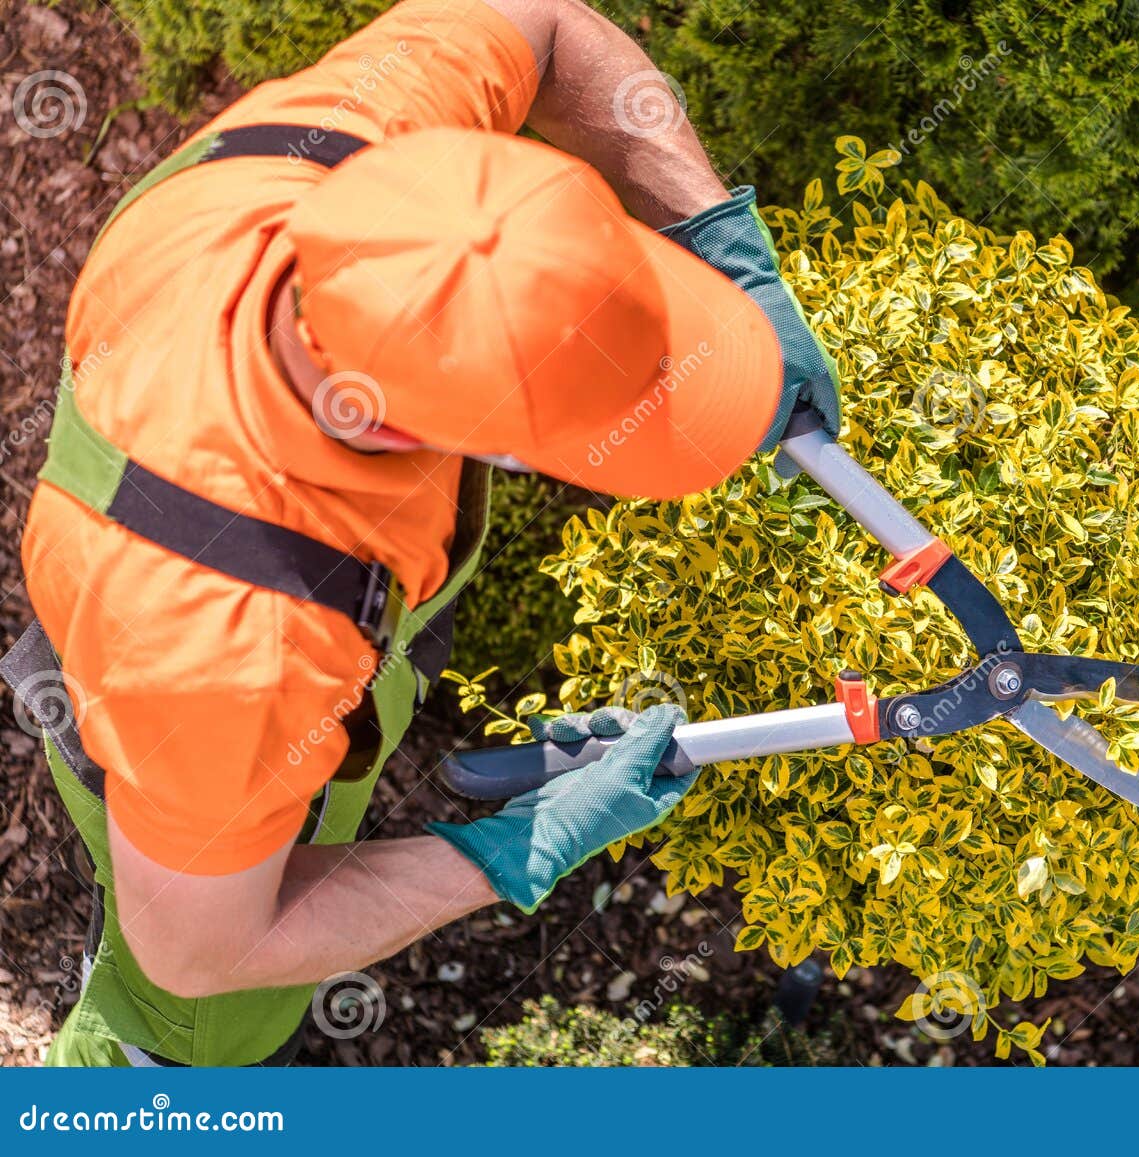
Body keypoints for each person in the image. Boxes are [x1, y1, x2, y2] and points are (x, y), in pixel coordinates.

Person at [3, 0, 839, 1066]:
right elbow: (197, 946)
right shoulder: (234, 657)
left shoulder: (347, 168)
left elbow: (539, 23)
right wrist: (512, 848)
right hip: (172, 744)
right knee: (191, 1033)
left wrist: (722, 250)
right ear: (410, 431)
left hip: (209, 558)